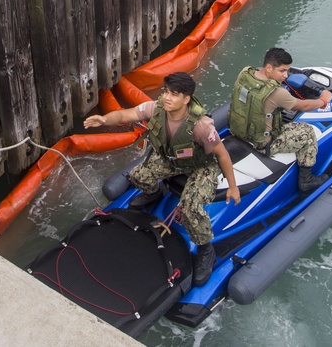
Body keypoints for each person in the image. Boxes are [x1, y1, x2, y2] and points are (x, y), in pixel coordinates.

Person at [84, 72, 240, 287]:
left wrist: (233, 186)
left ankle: (206, 248)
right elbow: (125, 115)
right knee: (138, 176)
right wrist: (104, 119)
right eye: (166, 92)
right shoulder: (155, 109)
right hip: (172, 159)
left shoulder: (201, 126)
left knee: (191, 208)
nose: (166, 97)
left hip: (200, 166)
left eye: (174, 94)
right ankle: (153, 193)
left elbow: (222, 154)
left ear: (186, 99)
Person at [227, 47, 332, 194]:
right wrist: (323, 101)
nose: (286, 75)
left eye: (287, 71)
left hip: (239, 132)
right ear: (269, 68)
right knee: (308, 132)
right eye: (282, 71)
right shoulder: (277, 93)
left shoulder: (245, 74)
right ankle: (306, 180)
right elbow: (304, 106)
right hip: (261, 144)